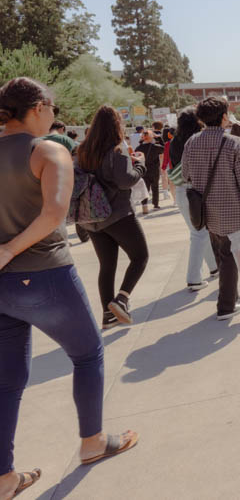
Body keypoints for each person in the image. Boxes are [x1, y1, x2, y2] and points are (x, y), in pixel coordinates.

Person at [0, 78, 138, 497]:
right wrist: (8, 249)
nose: (54, 116)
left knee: (6, 381)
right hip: (45, 274)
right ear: (39, 106)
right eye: (52, 109)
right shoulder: (47, 150)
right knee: (88, 353)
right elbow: (54, 214)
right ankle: (92, 441)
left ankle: (4, 478)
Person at [182, 96, 240, 320]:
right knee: (228, 256)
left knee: (221, 251)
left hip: (204, 210)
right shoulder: (235, 143)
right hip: (232, 210)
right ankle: (226, 305)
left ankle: (231, 298)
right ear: (224, 117)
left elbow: (185, 174)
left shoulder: (191, 142)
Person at [77, 106, 150, 329]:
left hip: (91, 217)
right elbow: (126, 181)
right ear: (116, 126)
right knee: (140, 256)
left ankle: (108, 316)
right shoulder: (116, 151)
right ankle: (122, 299)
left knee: (106, 265)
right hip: (118, 213)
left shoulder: (82, 150)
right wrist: (140, 164)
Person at [168, 109, 219, 291]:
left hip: (183, 192)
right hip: (196, 193)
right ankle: (193, 278)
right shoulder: (198, 140)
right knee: (200, 233)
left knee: (198, 232)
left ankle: (214, 267)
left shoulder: (175, 141)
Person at [136, 130, 163, 213]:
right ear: (151, 137)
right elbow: (164, 148)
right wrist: (159, 138)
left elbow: (136, 159)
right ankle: (155, 205)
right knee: (155, 187)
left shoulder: (138, 148)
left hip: (144, 170)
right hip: (154, 170)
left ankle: (144, 205)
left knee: (145, 188)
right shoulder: (155, 146)